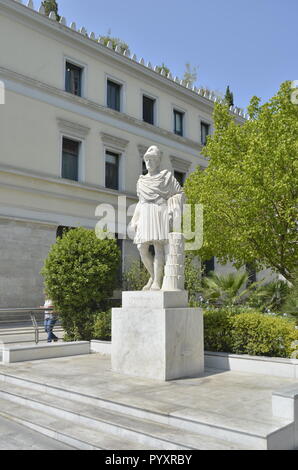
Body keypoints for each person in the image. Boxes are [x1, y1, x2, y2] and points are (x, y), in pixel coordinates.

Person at [130, 145, 184, 290]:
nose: (149, 162)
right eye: (147, 160)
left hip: (160, 211)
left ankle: (157, 282)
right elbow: (140, 202)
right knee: (142, 248)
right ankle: (153, 276)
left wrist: (173, 206)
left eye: (152, 159)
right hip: (145, 212)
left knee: (158, 248)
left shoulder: (166, 177)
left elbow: (179, 194)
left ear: (158, 161)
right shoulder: (141, 181)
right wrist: (134, 219)